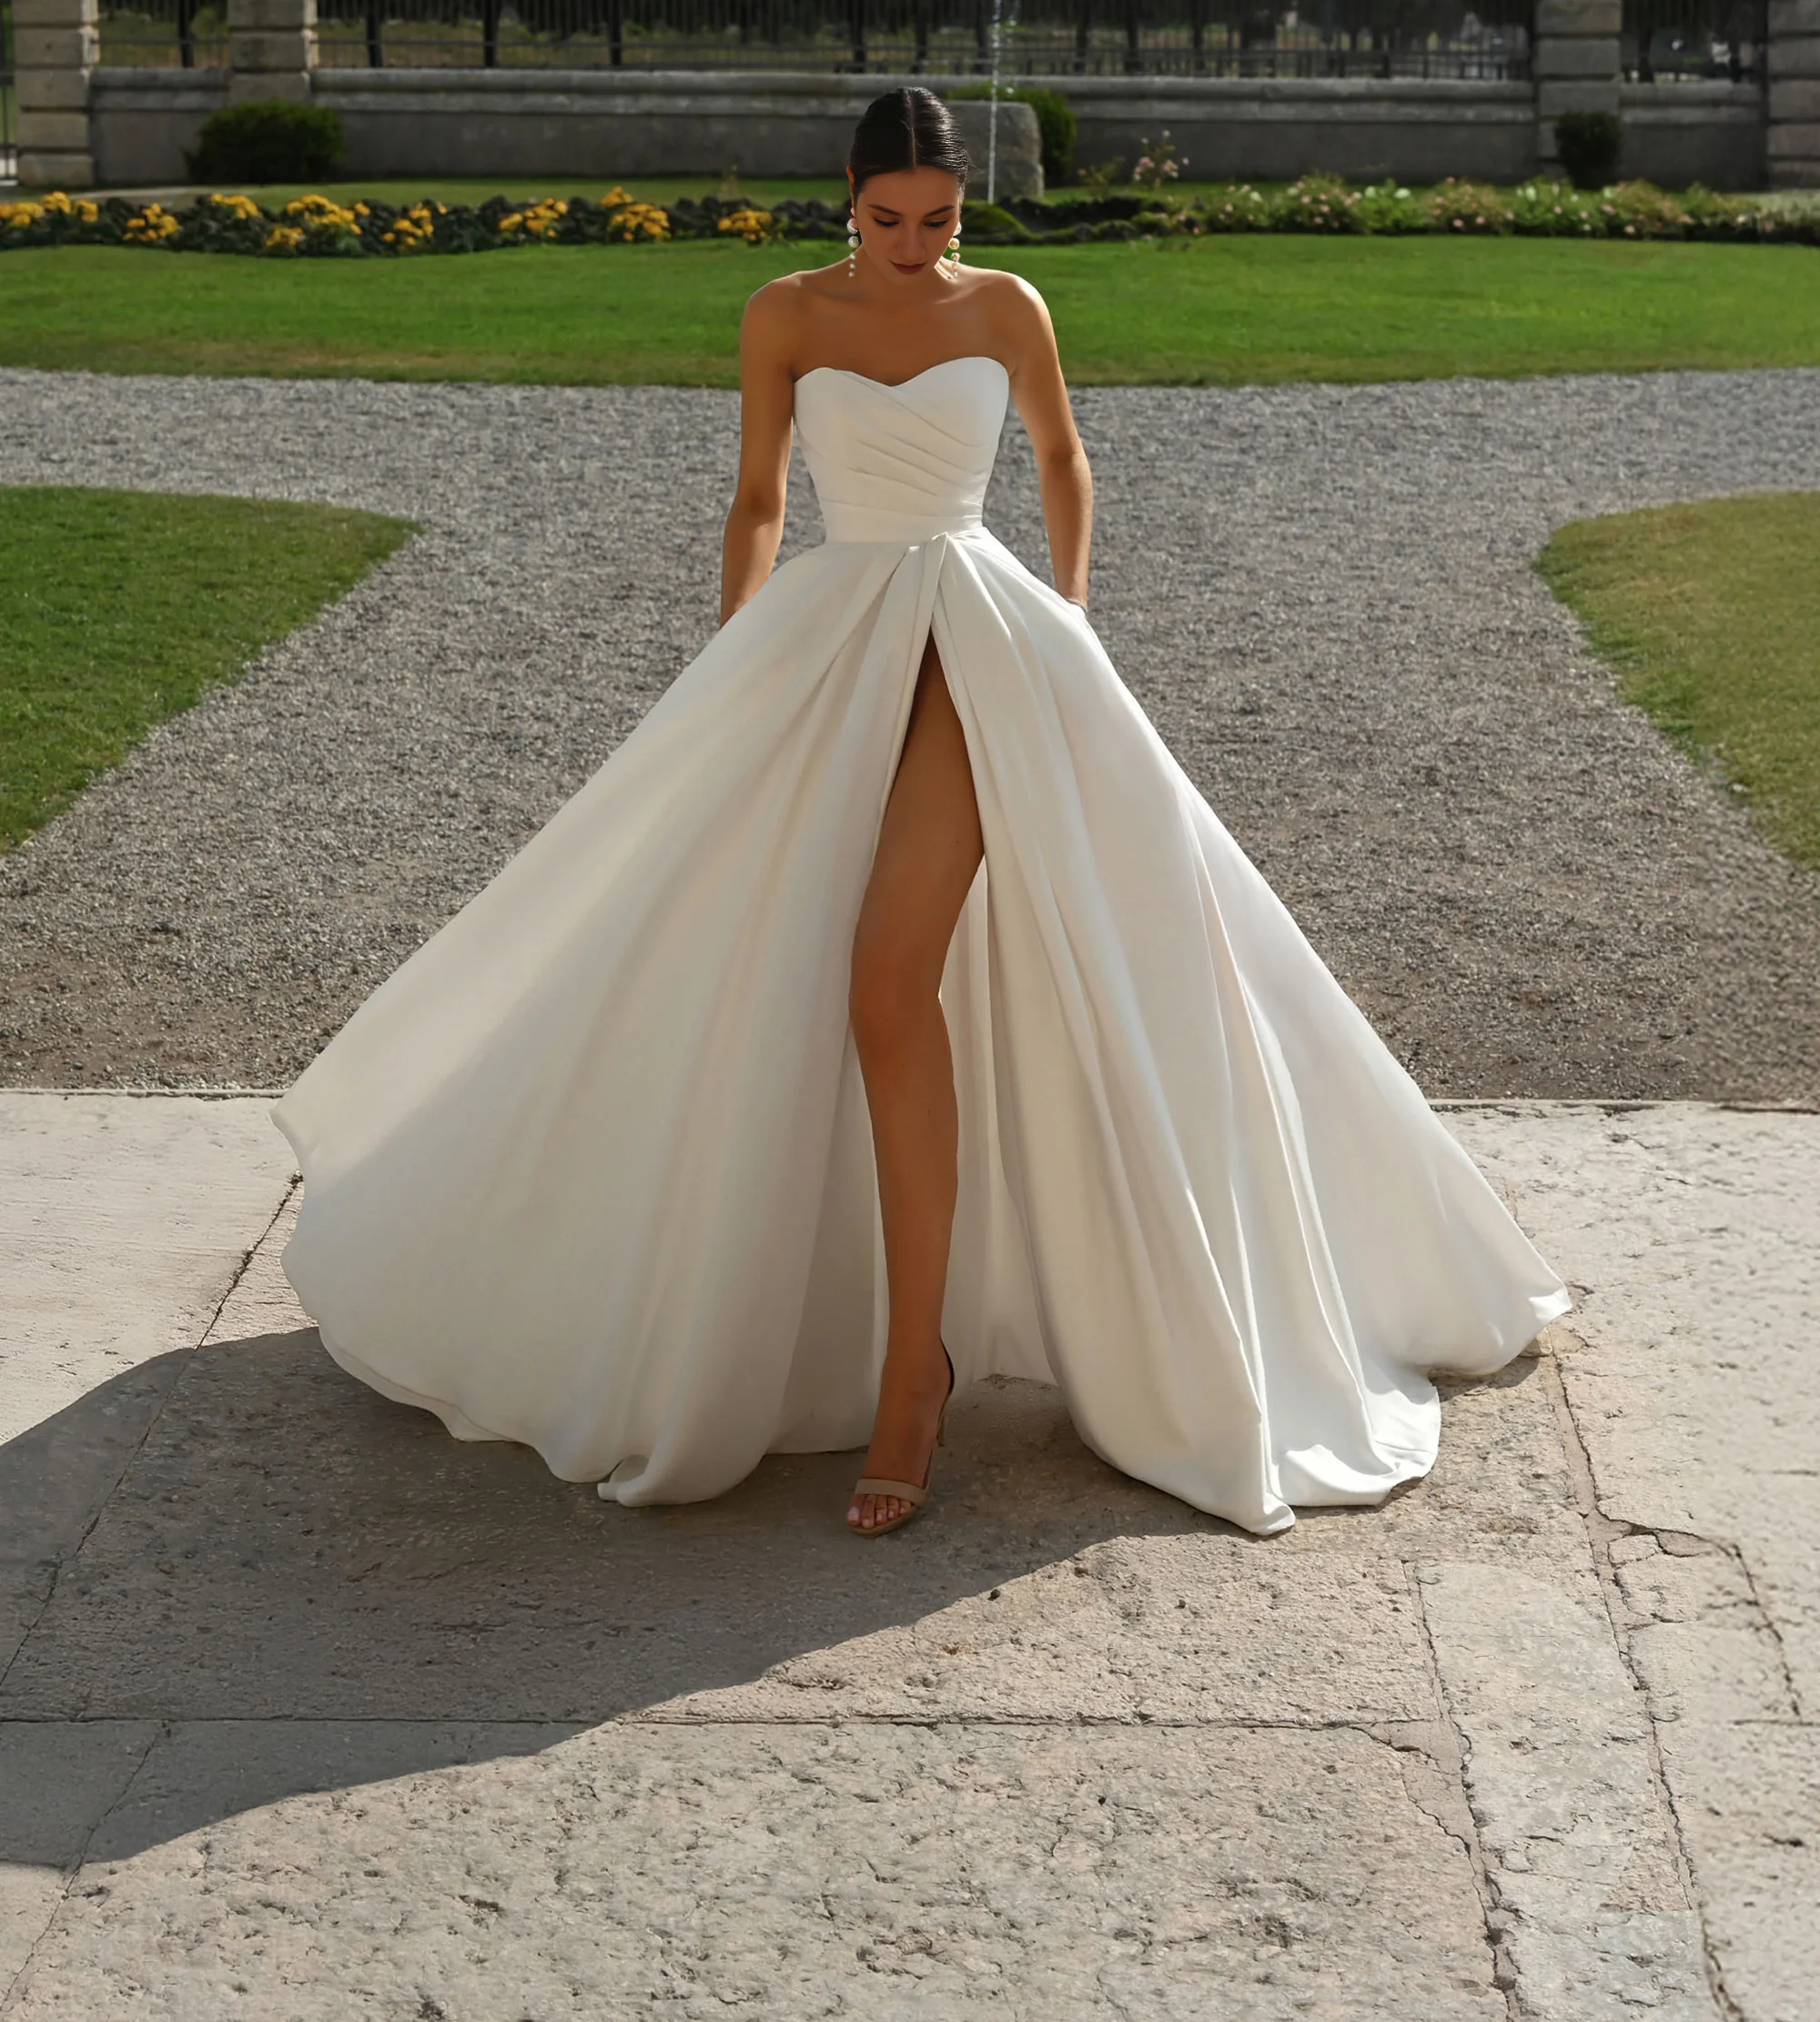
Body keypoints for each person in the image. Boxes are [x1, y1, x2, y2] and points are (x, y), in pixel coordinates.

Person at [278, 86, 1566, 1540]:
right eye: (889, 217)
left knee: (887, 979)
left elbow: (1066, 460)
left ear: (965, 205)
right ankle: (823, 1328)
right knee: (745, 957)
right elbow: (758, 498)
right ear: (846, 194)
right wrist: (733, 668)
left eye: (939, 217)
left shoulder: (1006, 305)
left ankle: (913, 1374)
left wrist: (1066, 627)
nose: (913, 242)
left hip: (979, 642)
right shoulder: (782, 315)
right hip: (830, 636)